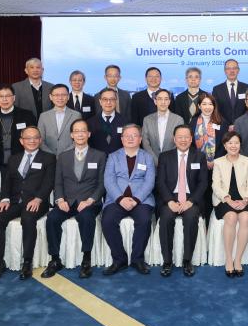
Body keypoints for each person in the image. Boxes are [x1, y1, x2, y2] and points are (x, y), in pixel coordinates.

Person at [0, 126, 56, 281]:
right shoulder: (14, 159)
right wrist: (4, 199)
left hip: (37, 201)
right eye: (28, 138)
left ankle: (27, 262)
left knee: (28, 218)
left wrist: (39, 198)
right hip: (14, 201)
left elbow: (48, 182)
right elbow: (6, 182)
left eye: (35, 138)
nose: (31, 141)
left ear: (40, 140)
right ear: (21, 141)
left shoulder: (49, 158)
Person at [41, 119, 106, 279]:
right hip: (67, 201)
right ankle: (55, 260)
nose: (80, 134)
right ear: (71, 135)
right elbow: (58, 182)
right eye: (76, 131)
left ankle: (86, 258)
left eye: (83, 130)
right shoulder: (63, 157)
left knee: (86, 218)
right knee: (52, 218)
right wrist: (59, 199)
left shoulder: (99, 155)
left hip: (90, 202)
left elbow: (102, 183)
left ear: (89, 134)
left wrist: (90, 200)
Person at [102, 124, 156, 275]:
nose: (130, 138)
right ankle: (119, 259)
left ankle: (137, 259)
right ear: (122, 138)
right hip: (116, 198)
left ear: (140, 139)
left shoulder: (147, 157)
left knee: (144, 220)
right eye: (127, 136)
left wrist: (136, 199)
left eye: (134, 136)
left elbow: (149, 182)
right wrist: (120, 199)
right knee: (107, 221)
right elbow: (108, 180)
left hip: (141, 199)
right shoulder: (113, 156)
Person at [156, 125, 208, 277]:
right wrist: (170, 201)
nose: (183, 140)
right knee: (165, 218)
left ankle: (187, 260)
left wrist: (191, 201)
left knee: (191, 218)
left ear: (191, 139)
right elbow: (161, 182)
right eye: (180, 137)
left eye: (187, 137)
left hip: (191, 199)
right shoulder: (165, 156)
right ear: (174, 139)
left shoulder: (199, 156)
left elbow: (203, 183)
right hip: (170, 198)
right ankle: (167, 261)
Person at [212, 131, 248, 277]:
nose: (233, 145)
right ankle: (229, 260)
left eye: (236, 142)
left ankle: (238, 260)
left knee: (245, 218)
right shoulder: (218, 162)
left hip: (244, 199)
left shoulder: (247, 161)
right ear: (225, 145)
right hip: (224, 199)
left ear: (240, 145)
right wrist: (228, 200)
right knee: (231, 217)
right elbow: (215, 186)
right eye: (230, 143)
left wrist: (246, 200)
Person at [189, 93, 229, 224]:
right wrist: (203, 160)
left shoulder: (222, 122)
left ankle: (213, 224)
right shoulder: (193, 122)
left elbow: (224, 145)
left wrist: (213, 161)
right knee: (201, 195)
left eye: (210, 104)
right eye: (204, 104)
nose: (207, 107)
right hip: (198, 166)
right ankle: (202, 224)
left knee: (215, 194)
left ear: (214, 106)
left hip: (217, 165)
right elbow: (191, 145)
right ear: (199, 106)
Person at [0, 84, 36, 170]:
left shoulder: (27, 116)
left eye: (8, 96)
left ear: (14, 98)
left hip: (22, 162)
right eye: (1, 96)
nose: (4, 99)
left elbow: (34, 139)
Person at [141, 89, 183, 166]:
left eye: (166, 99)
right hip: (152, 164)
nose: (163, 102)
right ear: (155, 101)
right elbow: (145, 143)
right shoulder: (147, 119)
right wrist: (155, 161)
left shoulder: (178, 120)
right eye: (159, 99)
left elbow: (179, 142)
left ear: (169, 102)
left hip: (172, 163)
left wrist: (167, 160)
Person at [37, 84, 81, 156]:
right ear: (51, 97)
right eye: (56, 95)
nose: (60, 98)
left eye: (63, 95)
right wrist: (51, 155)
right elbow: (40, 139)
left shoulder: (76, 115)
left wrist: (64, 154)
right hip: (48, 157)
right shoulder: (43, 116)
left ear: (68, 97)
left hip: (69, 156)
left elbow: (78, 138)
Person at [87, 88, 127, 154]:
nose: (108, 102)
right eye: (105, 99)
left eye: (112, 99)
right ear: (100, 101)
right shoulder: (90, 123)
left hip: (118, 160)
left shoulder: (125, 122)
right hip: (98, 161)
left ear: (116, 101)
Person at [212, 59, 248, 126]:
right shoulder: (217, 89)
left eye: (234, 68)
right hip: (224, 128)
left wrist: (239, 124)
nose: (232, 71)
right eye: (228, 68)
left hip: (243, 126)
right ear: (225, 71)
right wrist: (226, 125)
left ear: (238, 70)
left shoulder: (247, 88)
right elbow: (215, 110)